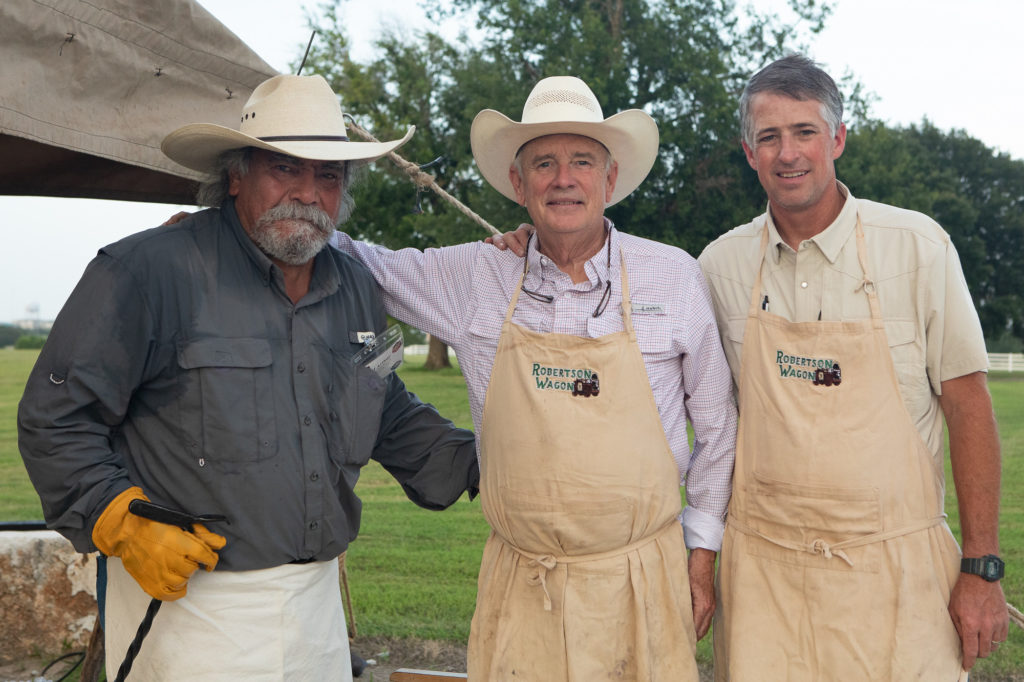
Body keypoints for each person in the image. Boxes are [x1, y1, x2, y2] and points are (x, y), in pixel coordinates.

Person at [17, 74, 479, 681]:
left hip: (316, 609)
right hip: (192, 610)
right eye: (285, 169)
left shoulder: (357, 289)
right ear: (235, 175)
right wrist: (121, 522)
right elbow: (56, 417)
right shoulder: (146, 271)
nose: (308, 194)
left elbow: (384, 400)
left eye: (328, 177)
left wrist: (489, 460)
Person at [331, 76, 737, 680]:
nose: (563, 178)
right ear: (519, 184)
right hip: (523, 585)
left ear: (611, 178)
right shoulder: (478, 273)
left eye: (581, 161)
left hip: (641, 579)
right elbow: (354, 257)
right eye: (543, 163)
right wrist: (226, 230)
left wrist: (701, 553)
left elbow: (717, 425)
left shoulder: (671, 275)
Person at [696, 55, 1008, 680]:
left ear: (837, 138)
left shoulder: (917, 247)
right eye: (769, 136)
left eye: (805, 132)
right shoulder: (718, 266)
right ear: (748, 151)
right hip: (764, 580)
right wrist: (530, 248)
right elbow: (700, 415)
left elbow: (969, 406)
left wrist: (981, 568)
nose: (788, 153)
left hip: (897, 575)